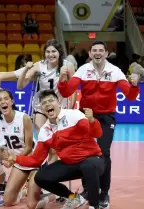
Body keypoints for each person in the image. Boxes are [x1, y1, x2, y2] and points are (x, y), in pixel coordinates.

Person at [57, 41, 140, 208]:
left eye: (101, 50)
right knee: (83, 153)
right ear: (89, 53)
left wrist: (134, 84)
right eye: (94, 50)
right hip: (85, 117)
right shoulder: (82, 70)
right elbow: (66, 92)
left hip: (106, 118)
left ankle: (104, 192)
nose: (97, 53)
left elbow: (130, 96)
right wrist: (62, 79)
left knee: (104, 153)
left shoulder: (115, 72)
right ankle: (87, 189)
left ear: (106, 53)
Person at [3, 89, 104, 209]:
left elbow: (97, 134)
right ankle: (73, 198)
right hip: (70, 164)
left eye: (51, 100)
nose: (48, 104)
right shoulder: (44, 131)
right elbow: (36, 160)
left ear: (58, 103)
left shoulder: (74, 115)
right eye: (44, 103)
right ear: (42, 109)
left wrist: (92, 121)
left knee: (88, 166)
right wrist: (15, 158)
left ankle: (94, 206)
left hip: (92, 160)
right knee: (40, 177)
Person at [16, 39, 76, 164]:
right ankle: (41, 169)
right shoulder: (39, 65)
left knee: (55, 146)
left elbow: (73, 88)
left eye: (53, 51)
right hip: (41, 107)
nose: (50, 54)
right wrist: (25, 70)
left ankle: (50, 171)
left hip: (60, 107)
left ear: (59, 52)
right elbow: (20, 86)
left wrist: (71, 106)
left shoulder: (67, 66)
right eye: (47, 52)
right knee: (45, 140)